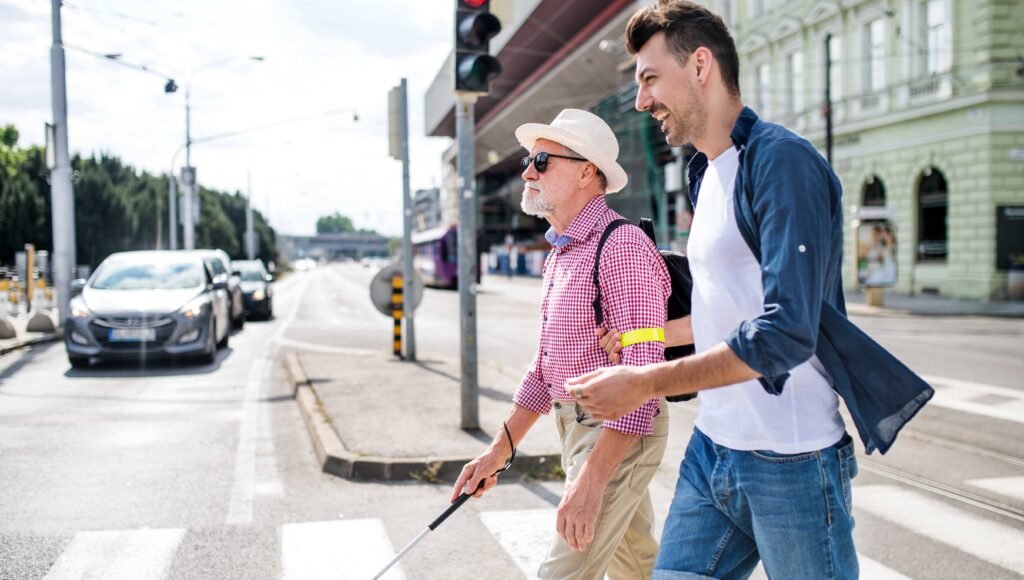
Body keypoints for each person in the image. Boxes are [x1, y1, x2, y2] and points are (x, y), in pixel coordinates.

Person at [569, 2, 933, 579]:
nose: (641, 101)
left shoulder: (783, 163)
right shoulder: (705, 172)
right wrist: (645, 336)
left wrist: (644, 381)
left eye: (649, 79)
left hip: (792, 459)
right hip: (714, 449)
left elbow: (784, 332)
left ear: (701, 66)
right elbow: (726, 308)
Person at [451, 109, 673, 579]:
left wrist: (591, 481)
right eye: (529, 161)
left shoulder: (623, 248)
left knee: (563, 573)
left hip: (616, 432)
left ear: (586, 171)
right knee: (639, 570)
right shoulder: (563, 254)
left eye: (542, 160)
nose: (528, 171)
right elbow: (546, 368)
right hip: (578, 429)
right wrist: (498, 451)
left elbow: (642, 377)